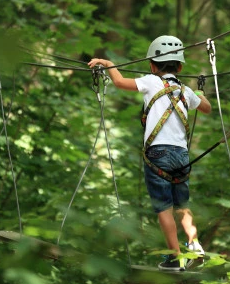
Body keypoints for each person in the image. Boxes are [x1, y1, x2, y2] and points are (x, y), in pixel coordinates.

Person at [88, 35, 212, 271]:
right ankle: (194, 243)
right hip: (181, 156)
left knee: (164, 207)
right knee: (181, 204)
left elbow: (120, 82)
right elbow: (206, 108)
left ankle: (175, 257)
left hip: (158, 155)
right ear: (181, 66)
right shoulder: (185, 91)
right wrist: (201, 95)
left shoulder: (150, 82)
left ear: (152, 66)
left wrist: (107, 63)